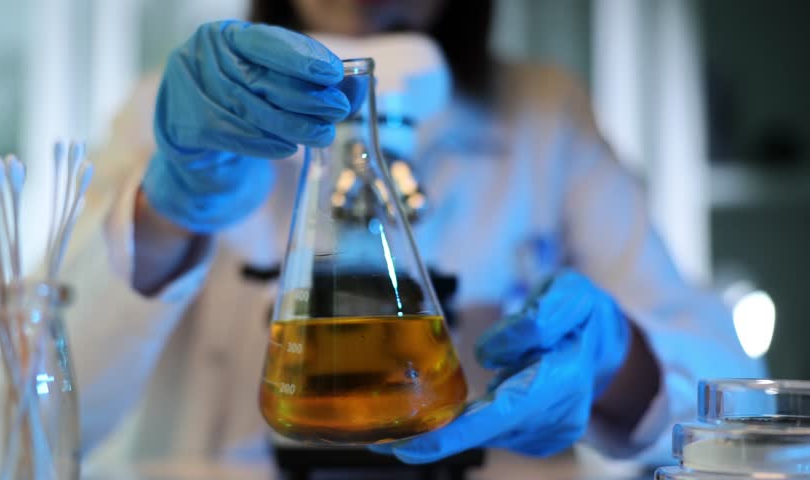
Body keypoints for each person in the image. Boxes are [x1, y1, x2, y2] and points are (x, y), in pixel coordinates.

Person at [64, 0, 764, 467]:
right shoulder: (185, 109)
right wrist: (171, 209)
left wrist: (617, 361)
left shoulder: (547, 115)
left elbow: (737, 401)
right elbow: (30, 411)